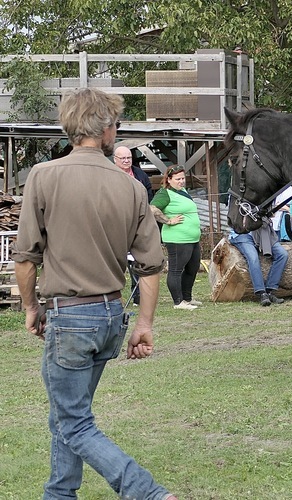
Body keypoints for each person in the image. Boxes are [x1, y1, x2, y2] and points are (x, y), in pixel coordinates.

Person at [11, 88, 176, 499]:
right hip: (111, 316)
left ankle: (147, 492)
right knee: (68, 416)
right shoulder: (132, 188)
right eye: (116, 125)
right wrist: (145, 324)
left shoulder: (44, 177)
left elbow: (27, 257)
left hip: (69, 317)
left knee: (73, 422)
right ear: (105, 129)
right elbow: (150, 265)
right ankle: (60, 493)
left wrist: (30, 306)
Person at [150, 165, 203, 309]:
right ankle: (178, 302)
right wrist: (168, 220)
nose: (181, 181)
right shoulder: (165, 193)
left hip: (192, 239)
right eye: (178, 179)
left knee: (192, 268)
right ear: (169, 179)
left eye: (183, 178)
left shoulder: (182, 191)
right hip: (177, 239)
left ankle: (187, 298)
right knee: (176, 269)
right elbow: (152, 209)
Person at [114, 146, 153, 305]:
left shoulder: (139, 174)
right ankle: (114, 296)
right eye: (122, 158)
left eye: (128, 158)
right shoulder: (110, 174)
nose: (126, 161)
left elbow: (149, 192)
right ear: (115, 159)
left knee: (138, 259)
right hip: (116, 225)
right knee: (116, 261)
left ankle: (138, 295)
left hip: (137, 224)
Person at [228, 205, 289, 306]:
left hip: (262, 232)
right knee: (253, 258)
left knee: (282, 255)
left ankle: (270, 290)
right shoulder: (238, 195)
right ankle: (261, 293)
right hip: (242, 234)